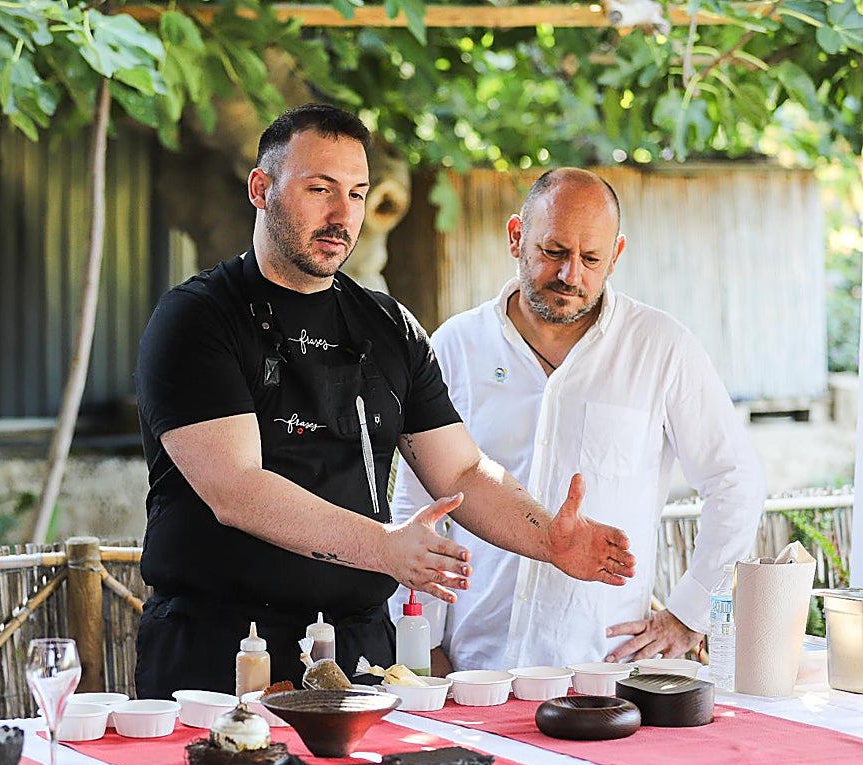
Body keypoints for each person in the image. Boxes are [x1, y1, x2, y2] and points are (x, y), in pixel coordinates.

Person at [133, 107, 635, 699]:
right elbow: (236, 489)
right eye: (320, 190)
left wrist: (549, 537)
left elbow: (463, 471)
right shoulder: (196, 317)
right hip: (220, 650)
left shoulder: (389, 325)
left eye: (357, 193)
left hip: (361, 654)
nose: (342, 214)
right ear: (261, 189)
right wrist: (385, 547)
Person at [388, 168, 766, 674]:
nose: (571, 275)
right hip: (471, 664)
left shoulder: (661, 347)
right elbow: (419, 501)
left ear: (616, 255)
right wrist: (422, 638)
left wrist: (688, 615)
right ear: (516, 237)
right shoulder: (456, 346)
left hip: (601, 669)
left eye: (591, 259)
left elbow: (735, 480)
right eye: (554, 252)